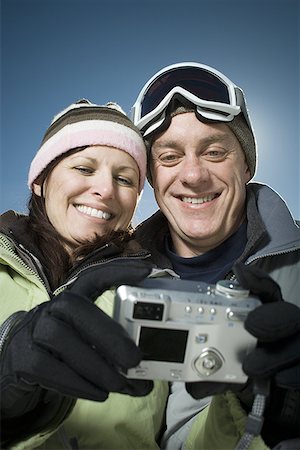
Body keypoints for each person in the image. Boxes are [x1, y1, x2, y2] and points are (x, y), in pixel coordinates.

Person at [131, 62, 300, 450]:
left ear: (247, 165)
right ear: (151, 180)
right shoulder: (118, 287)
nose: (193, 175)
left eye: (214, 151)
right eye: (170, 157)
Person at [0, 99, 169, 449]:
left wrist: (253, 410)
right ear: (41, 180)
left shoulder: (161, 294)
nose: (105, 190)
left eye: (124, 178)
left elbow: (190, 436)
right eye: (84, 168)